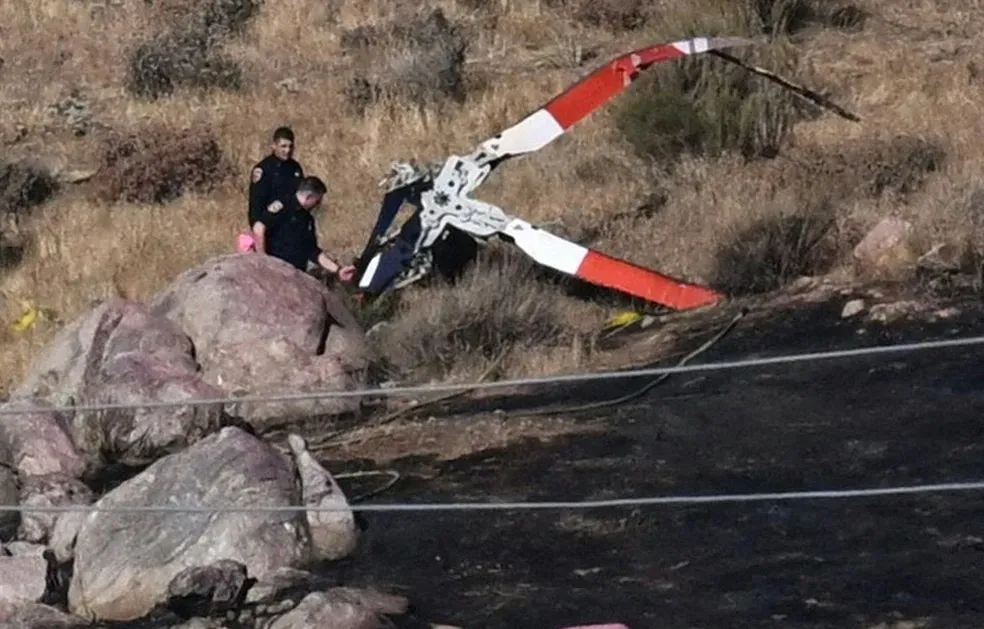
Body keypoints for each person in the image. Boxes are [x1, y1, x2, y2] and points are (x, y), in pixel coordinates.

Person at [253, 176, 356, 282]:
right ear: (309, 197)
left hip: (295, 275)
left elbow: (312, 251)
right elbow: (259, 227)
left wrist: (338, 270)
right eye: (317, 201)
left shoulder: (307, 219)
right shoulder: (283, 205)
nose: (318, 205)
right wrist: (264, 260)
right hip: (274, 272)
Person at [242, 126, 304, 251]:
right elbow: (256, 206)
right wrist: (259, 233)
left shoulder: (295, 168)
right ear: (273, 146)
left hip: (290, 229)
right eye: (283, 146)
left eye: (290, 146)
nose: (287, 150)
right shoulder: (263, 170)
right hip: (270, 228)